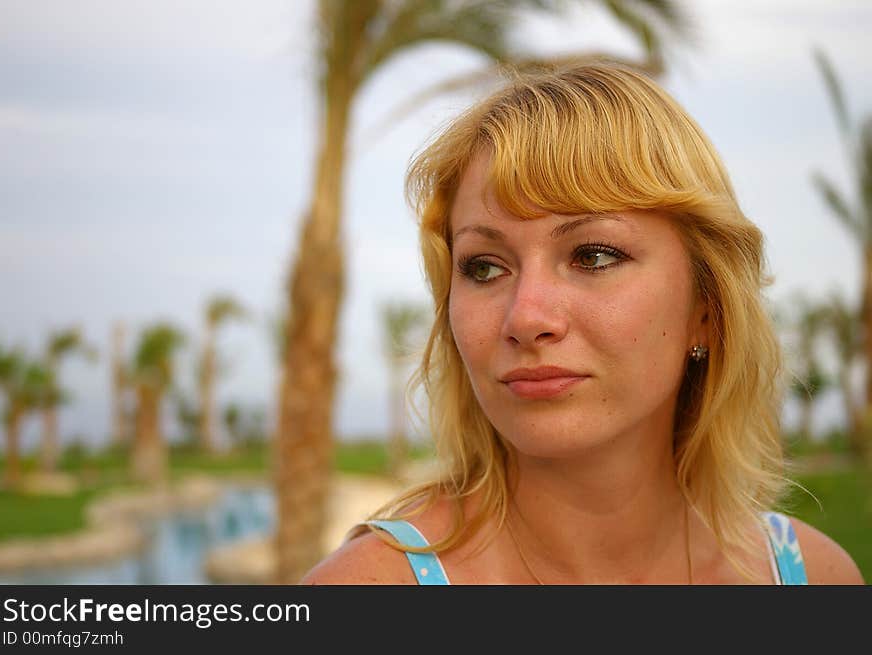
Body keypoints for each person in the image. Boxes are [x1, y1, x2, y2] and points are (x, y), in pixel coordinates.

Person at [301, 62, 864, 585]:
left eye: (593, 255)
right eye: (485, 267)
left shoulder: (813, 578)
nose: (526, 318)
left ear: (707, 310)